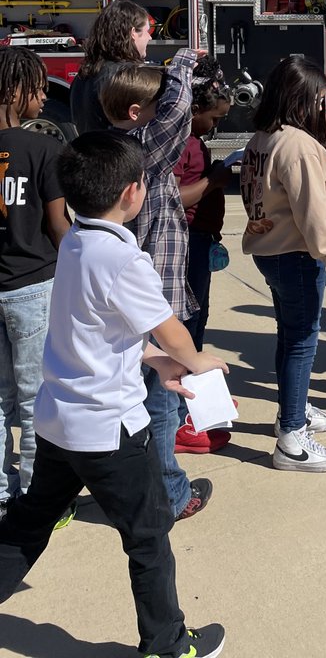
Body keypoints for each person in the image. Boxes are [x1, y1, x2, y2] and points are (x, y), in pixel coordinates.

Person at [0, 130, 227, 658]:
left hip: (58, 422)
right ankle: (168, 645)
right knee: (148, 536)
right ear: (132, 191)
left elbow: (98, 329)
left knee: (30, 522)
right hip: (109, 431)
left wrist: (155, 360)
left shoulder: (75, 241)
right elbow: (169, 328)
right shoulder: (124, 259)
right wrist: (194, 360)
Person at [100, 51, 210, 521]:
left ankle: (132, 487)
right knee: (162, 402)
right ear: (135, 113)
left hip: (125, 301)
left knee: (132, 401)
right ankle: (170, 494)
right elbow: (177, 113)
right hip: (154, 299)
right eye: (155, 104)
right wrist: (181, 65)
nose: (165, 109)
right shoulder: (142, 149)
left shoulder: (105, 149)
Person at [240, 56, 326, 472]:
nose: (322, 105)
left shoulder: (262, 137)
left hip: (270, 252)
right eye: (319, 98)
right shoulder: (299, 145)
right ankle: (292, 437)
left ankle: (293, 410)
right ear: (302, 98)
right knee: (302, 340)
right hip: (295, 254)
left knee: (290, 337)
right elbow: (315, 215)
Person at [0, 51, 68, 517]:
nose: (43, 98)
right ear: (15, 90)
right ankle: (37, 499)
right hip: (32, 287)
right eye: (38, 88)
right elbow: (59, 227)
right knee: (34, 398)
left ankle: (3, 493)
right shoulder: (44, 149)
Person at [172, 58, 234, 454]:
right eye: (213, 118)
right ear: (193, 109)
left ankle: (197, 404)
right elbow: (175, 197)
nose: (215, 125)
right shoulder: (180, 143)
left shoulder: (194, 139)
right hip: (187, 242)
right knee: (186, 328)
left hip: (200, 239)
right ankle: (181, 417)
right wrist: (214, 180)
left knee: (197, 322)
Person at [70, 0, 153, 134]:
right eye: (147, 31)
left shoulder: (84, 74)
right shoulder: (124, 76)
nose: (149, 37)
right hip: (117, 146)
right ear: (133, 33)